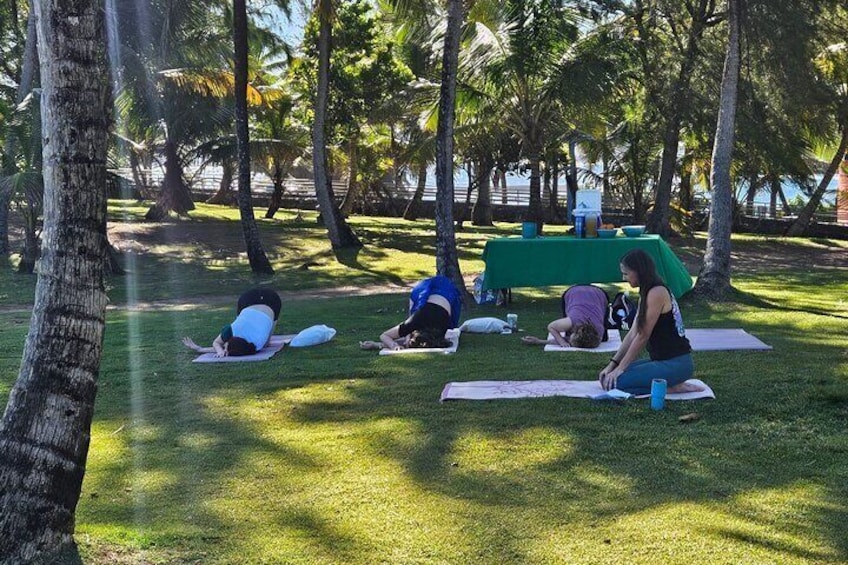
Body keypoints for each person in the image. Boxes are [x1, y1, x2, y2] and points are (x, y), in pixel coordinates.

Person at [599, 249, 698, 395]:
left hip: (677, 363)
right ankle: (668, 384)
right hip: (661, 361)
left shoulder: (656, 292)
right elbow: (633, 333)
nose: (623, 277)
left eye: (626, 273)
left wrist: (620, 370)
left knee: (616, 383)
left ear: (639, 271)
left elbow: (642, 336)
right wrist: (613, 365)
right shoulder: (647, 292)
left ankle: (672, 388)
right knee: (608, 378)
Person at [360, 275, 462, 351]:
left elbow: (405, 340)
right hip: (423, 291)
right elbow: (384, 335)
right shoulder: (415, 321)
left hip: (447, 293)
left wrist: (379, 345)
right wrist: (393, 345)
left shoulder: (440, 329)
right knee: (405, 332)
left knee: (406, 334)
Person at [182, 287, 282, 357]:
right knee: (267, 343)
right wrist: (206, 349)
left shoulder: (258, 345)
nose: (224, 349)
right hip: (269, 299)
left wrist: (201, 349)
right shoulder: (232, 331)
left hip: (264, 300)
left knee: (266, 344)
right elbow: (219, 344)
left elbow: (217, 344)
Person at [521, 284, 608, 349]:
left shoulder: (599, 332)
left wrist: (539, 341)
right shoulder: (571, 321)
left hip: (599, 294)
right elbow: (551, 327)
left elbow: (570, 340)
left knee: (604, 339)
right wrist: (561, 341)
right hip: (574, 292)